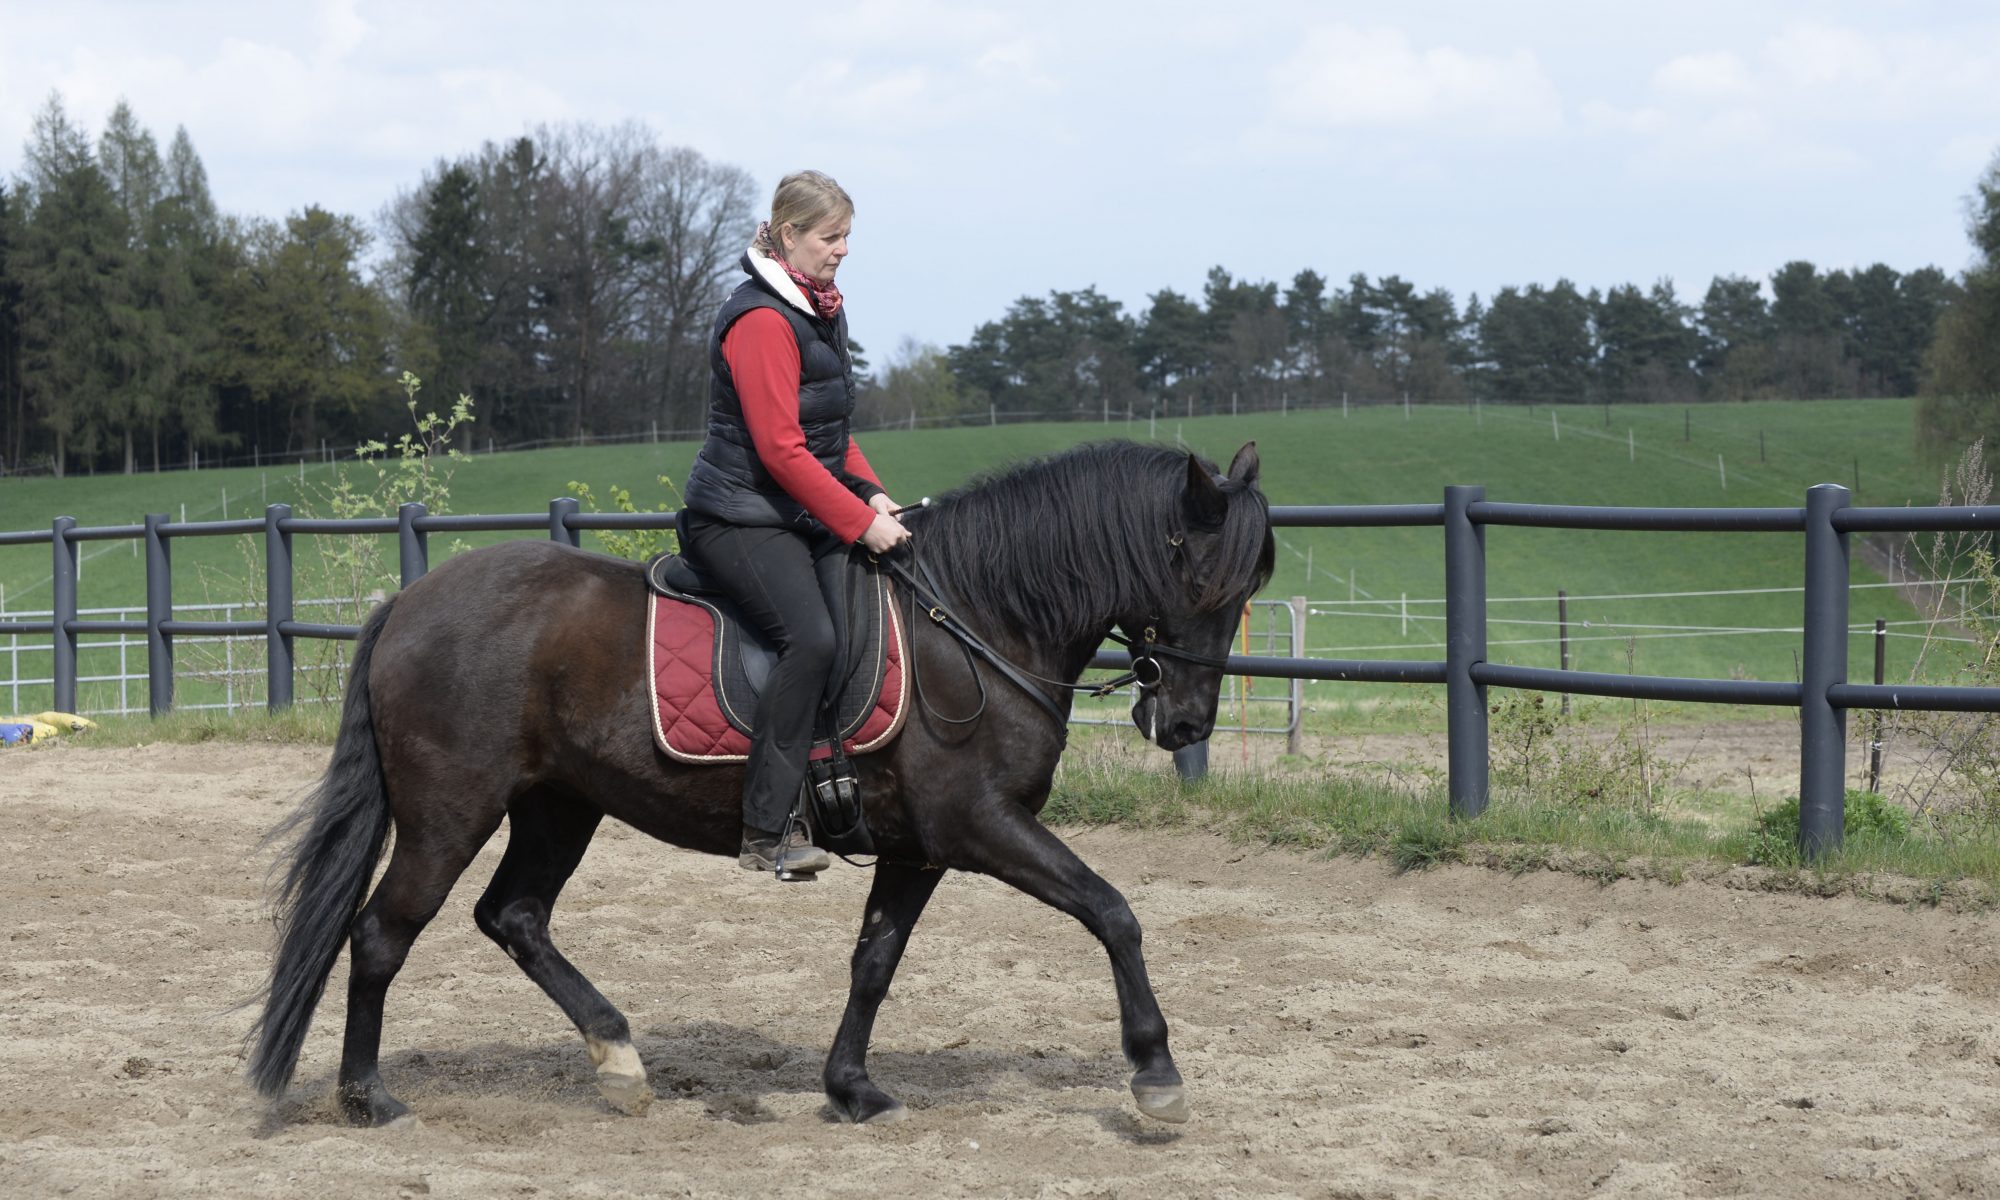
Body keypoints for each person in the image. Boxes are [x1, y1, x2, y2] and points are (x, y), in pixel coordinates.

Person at [679, 170, 911, 879]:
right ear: (788, 236)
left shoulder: (819, 310)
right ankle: (766, 828)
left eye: (847, 236)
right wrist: (854, 521)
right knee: (809, 639)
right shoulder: (761, 320)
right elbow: (780, 448)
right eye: (830, 236)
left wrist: (872, 495)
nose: (842, 249)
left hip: (794, 511)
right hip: (736, 516)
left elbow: (831, 437)